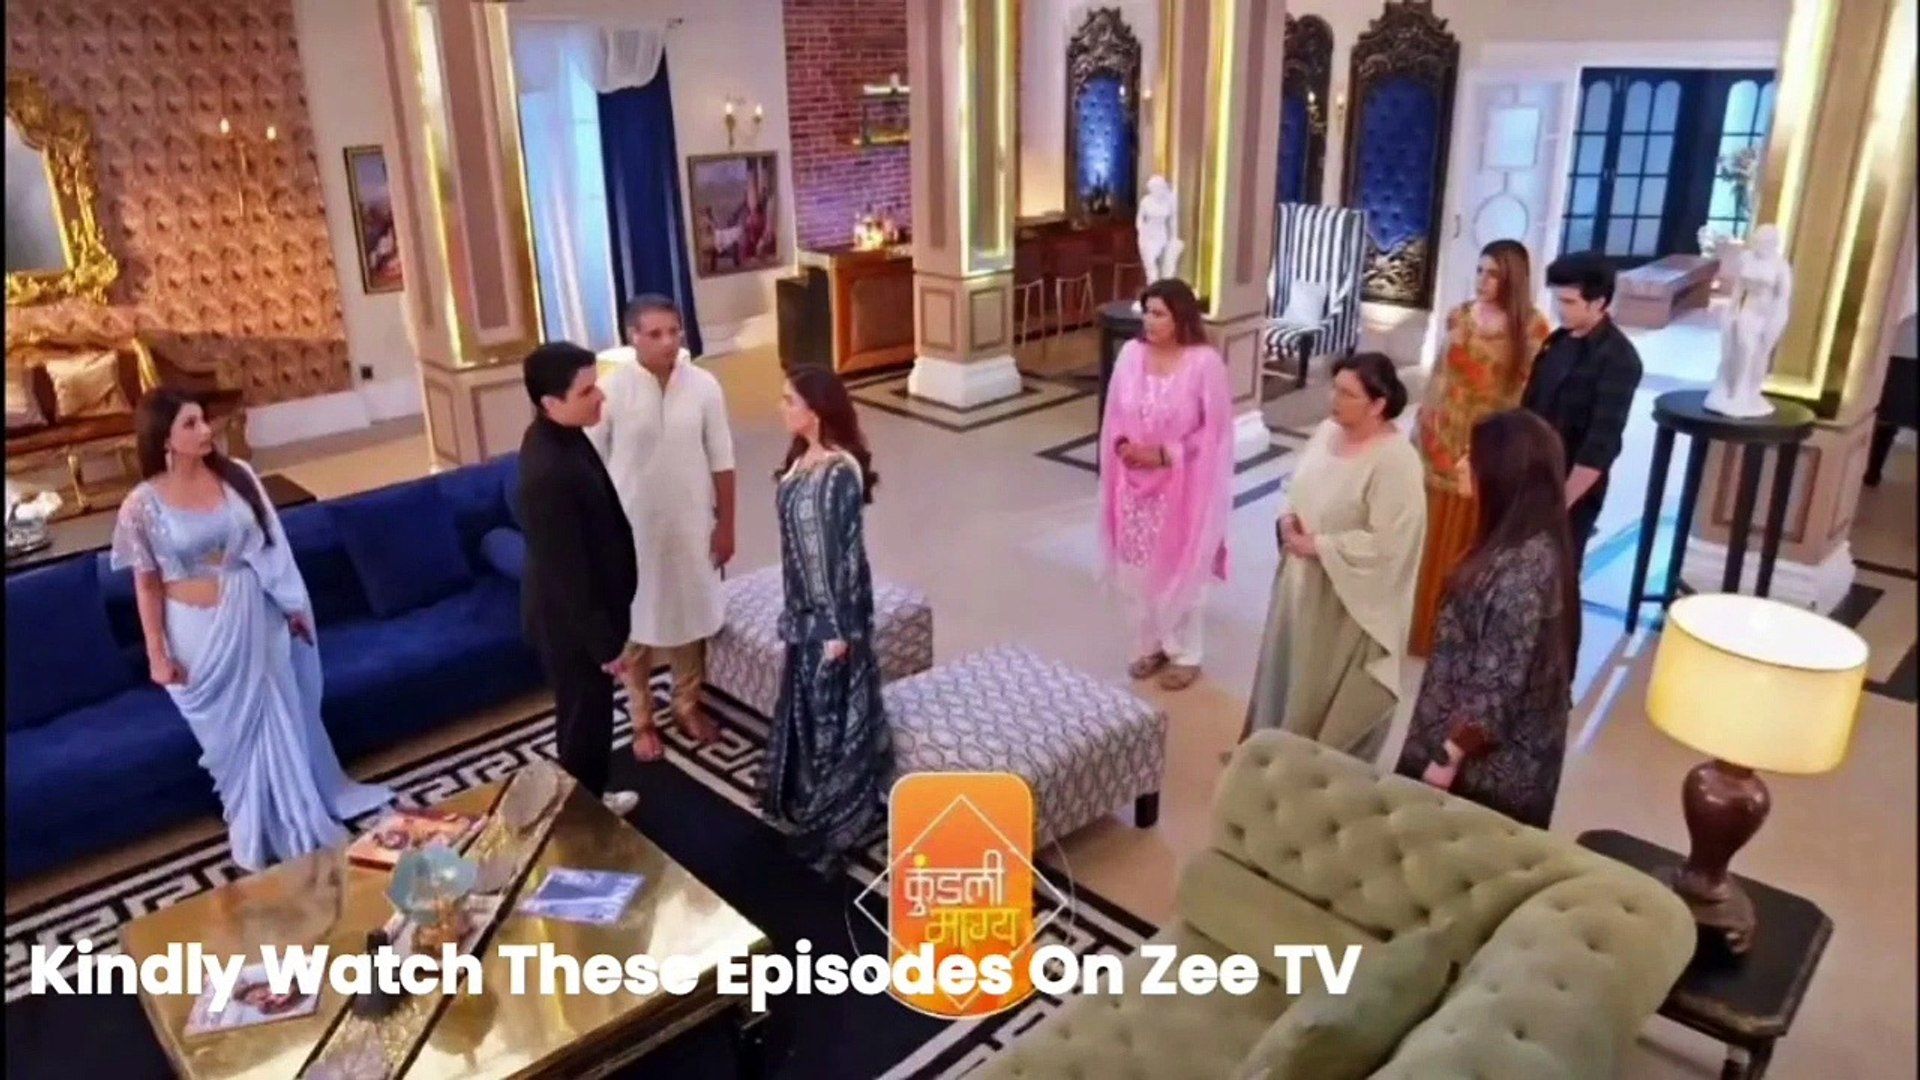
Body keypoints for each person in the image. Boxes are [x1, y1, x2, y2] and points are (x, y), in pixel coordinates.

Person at [112, 389, 392, 873]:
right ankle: (255, 829)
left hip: (257, 617)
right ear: (164, 438)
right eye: (191, 424)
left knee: (278, 717)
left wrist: (290, 606)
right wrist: (157, 654)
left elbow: (269, 548)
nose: (206, 431)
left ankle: (299, 824)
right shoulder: (140, 507)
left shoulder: (237, 476)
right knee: (231, 741)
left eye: (203, 420)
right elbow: (147, 584)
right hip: (196, 636)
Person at [1394, 409, 1583, 829]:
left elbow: (1495, 689)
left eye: (1471, 456)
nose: (1461, 464)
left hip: (1481, 779)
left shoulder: (1522, 570)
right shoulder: (1523, 543)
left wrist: (1444, 760)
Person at [1243, 353, 1425, 760]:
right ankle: (1268, 757)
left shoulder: (1396, 461)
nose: (1333, 399)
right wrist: (1287, 518)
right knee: (1284, 674)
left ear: (1378, 405)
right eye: (1335, 388)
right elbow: (1298, 485)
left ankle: (1302, 770)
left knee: (1314, 688)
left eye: (1347, 393)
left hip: (1343, 604)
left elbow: (1391, 543)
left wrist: (1321, 546)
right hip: (1300, 585)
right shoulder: (1327, 431)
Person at [589, 295, 737, 761]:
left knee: (690, 615)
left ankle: (686, 704)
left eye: (674, 331)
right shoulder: (610, 391)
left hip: (692, 522)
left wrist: (726, 526)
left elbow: (723, 459)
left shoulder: (704, 386)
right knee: (635, 624)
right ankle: (641, 719)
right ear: (632, 337)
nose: (669, 342)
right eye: (655, 334)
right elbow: (591, 465)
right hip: (631, 530)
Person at [758, 367, 891, 875]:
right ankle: (808, 792)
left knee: (830, 708)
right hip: (805, 611)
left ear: (814, 411)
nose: (781, 407)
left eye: (789, 400)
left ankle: (835, 816)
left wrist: (836, 629)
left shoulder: (836, 473)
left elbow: (836, 558)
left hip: (831, 617)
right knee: (810, 707)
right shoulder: (803, 458)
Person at [1410, 240, 1552, 656]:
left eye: (1494, 275)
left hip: (1488, 445)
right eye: (1479, 271)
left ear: (1513, 280)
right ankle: (1421, 626)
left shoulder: (1533, 328)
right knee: (1429, 534)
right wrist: (1422, 425)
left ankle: (1457, 636)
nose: (1483, 281)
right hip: (1442, 433)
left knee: (1471, 538)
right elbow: (1438, 375)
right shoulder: (1459, 314)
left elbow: (1526, 395)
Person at [517, 342, 641, 816]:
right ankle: (583, 816)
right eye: (587, 391)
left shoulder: (561, 434)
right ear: (551, 403)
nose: (600, 397)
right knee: (583, 724)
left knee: (591, 717)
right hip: (570, 624)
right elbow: (568, 572)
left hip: (581, 615)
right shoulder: (547, 473)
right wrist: (604, 644)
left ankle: (589, 799)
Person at [1098, 277, 1234, 691]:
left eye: (1159, 314)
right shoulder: (1130, 355)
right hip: (1131, 483)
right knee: (1135, 569)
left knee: (1180, 566)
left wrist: (1164, 455)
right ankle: (1149, 644)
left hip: (1183, 486)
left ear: (1181, 318)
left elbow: (1215, 433)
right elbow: (1114, 415)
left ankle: (1185, 653)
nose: (1150, 321)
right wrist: (1124, 447)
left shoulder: (1204, 363)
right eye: (1147, 312)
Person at [1521, 252, 1644, 572]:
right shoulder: (1556, 342)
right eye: (1556, 299)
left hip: (1571, 489)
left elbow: (1600, 446)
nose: (1559, 309)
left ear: (1599, 302)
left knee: (1554, 574)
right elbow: (1529, 407)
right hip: (1530, 477)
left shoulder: (1619, 359)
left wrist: (1560, 503)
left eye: (1569, 301)